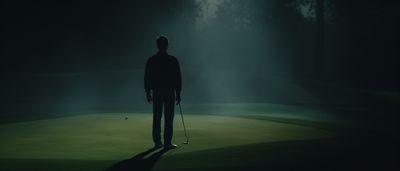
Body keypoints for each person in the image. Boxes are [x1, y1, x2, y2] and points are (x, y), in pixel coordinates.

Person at [144, 36, 182, 149]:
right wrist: (178, 93)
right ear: (167, 45)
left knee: (157, 117)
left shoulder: (151, 60)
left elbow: (147, 77)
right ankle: (167, 143)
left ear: (157, 45)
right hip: (169, 91)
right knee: (168, 117)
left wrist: (147, 91)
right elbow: (178, 78)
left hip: (157, 91)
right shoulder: (172, 60)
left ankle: (157, 142)